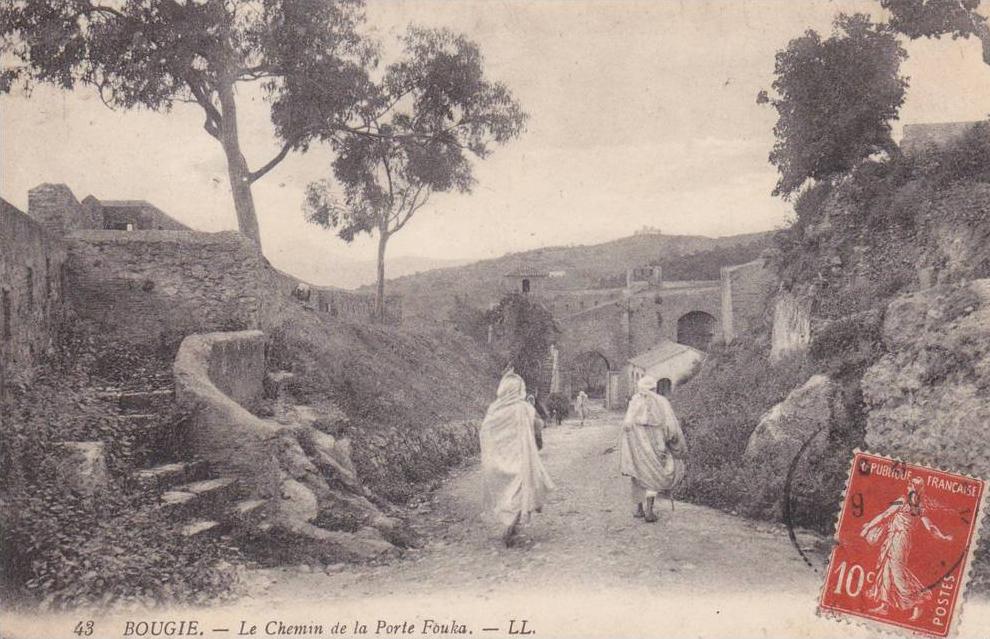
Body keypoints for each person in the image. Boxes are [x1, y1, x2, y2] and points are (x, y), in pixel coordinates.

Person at [860, 475, 953, 620]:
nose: (908, 487)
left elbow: (885, 515)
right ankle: (885, 606)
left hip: (901, 539)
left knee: (897, 573)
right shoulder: (912, 504)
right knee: (886, 569)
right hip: (894, 537)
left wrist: (867, 529)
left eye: (910, 485)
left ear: (912, 488)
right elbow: (930, 526)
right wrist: (942, 536)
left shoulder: (909, 503)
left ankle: (918, 602)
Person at [480, 371, 555, 546]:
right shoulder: (524, 408)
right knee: (518, 491)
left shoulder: (494, 409)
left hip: (497, 461)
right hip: (518, 459)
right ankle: (510, 527)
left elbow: (485, 432)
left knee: (504, 494)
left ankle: (508, 526)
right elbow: (539, 424)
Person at [618, 375, 687, 523]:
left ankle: (639, 509)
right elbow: (671, 427)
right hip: (656, 447)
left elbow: (626, 426)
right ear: (654, 388)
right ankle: (649, 510)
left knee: (638, 476)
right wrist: (674, 443)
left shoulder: (634, 401)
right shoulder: (662, 402)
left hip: (637, 449)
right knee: (653, 476)